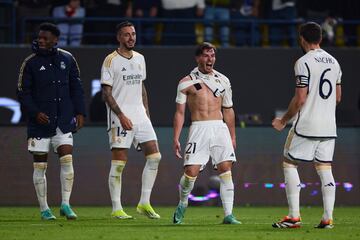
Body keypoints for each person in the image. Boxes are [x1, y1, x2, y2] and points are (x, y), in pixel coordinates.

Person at [271, 22, 342, 229]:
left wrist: (283, 120)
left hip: (307, 124)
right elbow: (338, 97)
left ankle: (294, 217)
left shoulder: (303, 62)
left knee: (289, 163)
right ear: (320, 38)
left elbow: (300, 98)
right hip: (329, 127)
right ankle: (327, 218)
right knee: (324, 168)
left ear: (302, 38)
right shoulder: (335, 62)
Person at [17, 22, 86, 220]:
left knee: (67, 158)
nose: (41, 40)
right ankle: (44, 208)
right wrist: (34, 112)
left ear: (56, 40)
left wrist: (80, 112)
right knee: (40, 165)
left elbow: (77, 88)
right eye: (39, 37)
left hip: (63, 120)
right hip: (40, 122)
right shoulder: (30, 62)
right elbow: (23, 92)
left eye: (45, 38)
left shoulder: (68, 59)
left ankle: (65, 203)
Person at [172, 42, 240, 224]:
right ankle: (183, 203)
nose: (210, 59)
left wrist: (232, 136)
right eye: (206, 55)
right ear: (198, 58)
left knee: (226, 169)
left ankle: (228, 214)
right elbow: (179, 112)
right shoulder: (186, 82)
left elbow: (229, 110)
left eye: (212, 56)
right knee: (191, 172)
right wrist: (176, 138)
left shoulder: (223, 80)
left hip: (219, 128)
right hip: (198, 128)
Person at [100, 21, 161, 219]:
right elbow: (106, 94)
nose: (131, 37)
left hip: (140, 115)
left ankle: (144, 203)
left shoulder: (140, 58)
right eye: (126, 34)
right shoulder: (110, 60)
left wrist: (147, 114)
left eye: (133, 34)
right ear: (119, 37)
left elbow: (142, 87)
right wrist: (121, 115)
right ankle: (116, 208)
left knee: (155, 157)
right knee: (119, 164)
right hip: (120, 116)